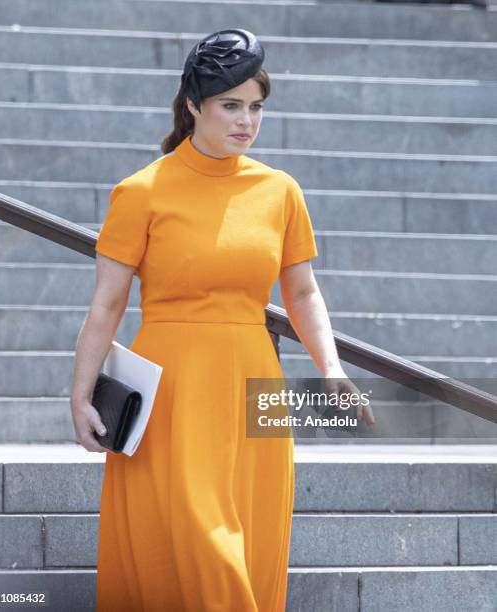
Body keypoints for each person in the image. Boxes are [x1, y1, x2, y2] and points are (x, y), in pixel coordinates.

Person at [70, 28, 375, 612]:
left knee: (252, 536)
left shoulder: (280, 191)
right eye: (230, 106)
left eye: (255, 107)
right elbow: (106, 303)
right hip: (171, 386)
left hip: (255, 382)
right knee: (201, 542)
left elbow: (304, 292)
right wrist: (81, 394)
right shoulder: (140, 192)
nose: (246, 121)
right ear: (193, 106)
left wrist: (331, 368)